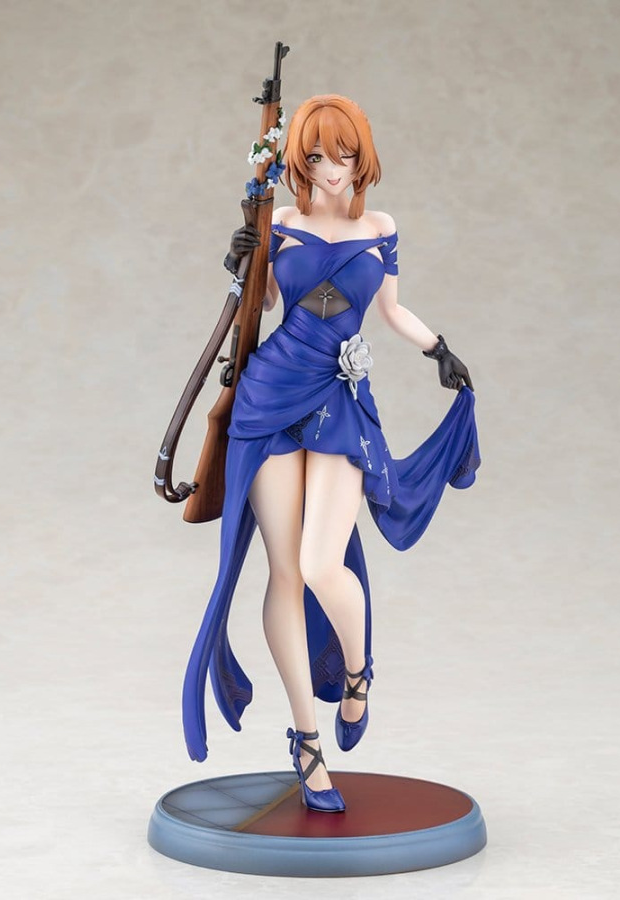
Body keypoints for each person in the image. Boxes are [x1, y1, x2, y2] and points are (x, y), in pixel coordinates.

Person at [182, 95, 479, 813]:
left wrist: (439, 349)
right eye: (316, 157)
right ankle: (307, 742)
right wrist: (238, 260)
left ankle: (356, 671)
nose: (332, 169)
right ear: (298, 163)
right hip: (269, 399)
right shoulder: (279, 223)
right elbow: (251, 307)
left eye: (344, 155)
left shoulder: (380, 228)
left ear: (361, 158)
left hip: (340, 400)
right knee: (285, 572)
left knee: (322, 563)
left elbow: (392, 308)